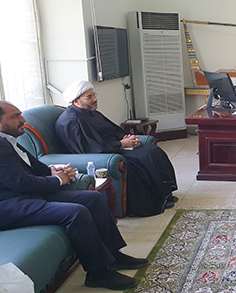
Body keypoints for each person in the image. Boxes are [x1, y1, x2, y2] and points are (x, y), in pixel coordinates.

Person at [0, 101, 149, 290]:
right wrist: (58, 180)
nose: (23, 120)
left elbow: (29, 166)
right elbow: (20, 183)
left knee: (94, 198)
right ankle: (98, 273)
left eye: (20, 114)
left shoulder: (0, 137)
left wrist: (53, 170)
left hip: (19, 197)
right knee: (76, 213)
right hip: (0, 208)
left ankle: (114, 256)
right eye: (15, 116)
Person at [55, 80, 178, 217]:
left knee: (152, 151)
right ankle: (150, 203)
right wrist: (121, 144)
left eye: (94, 95)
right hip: (104, 153)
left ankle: (164, 194)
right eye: (89, 97)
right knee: (142, 159)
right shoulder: (71, 121)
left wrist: (127, 138)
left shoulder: (91, 112)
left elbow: (111, 130)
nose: (95, 99)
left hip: (113, 146)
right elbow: (88, 147)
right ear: (76, 101)